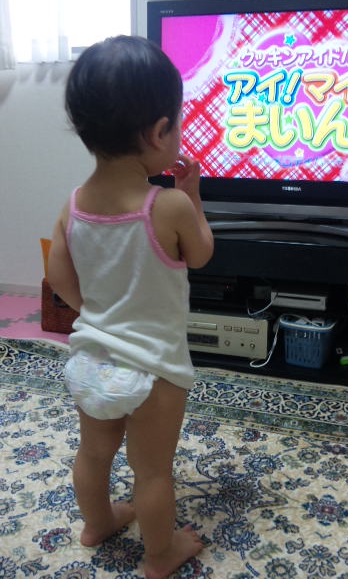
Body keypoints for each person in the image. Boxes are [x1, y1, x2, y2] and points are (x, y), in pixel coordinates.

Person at [47, 35, 214, 579]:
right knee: (152, 472)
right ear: (160, 132)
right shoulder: (168, 205)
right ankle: (160, 555)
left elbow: (58, 278)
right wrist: (193, 195)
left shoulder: (74, 204)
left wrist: (97, 312)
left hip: (91, 360)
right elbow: (201, 254)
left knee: (93, 454)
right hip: (153, 369)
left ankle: (97, 523)